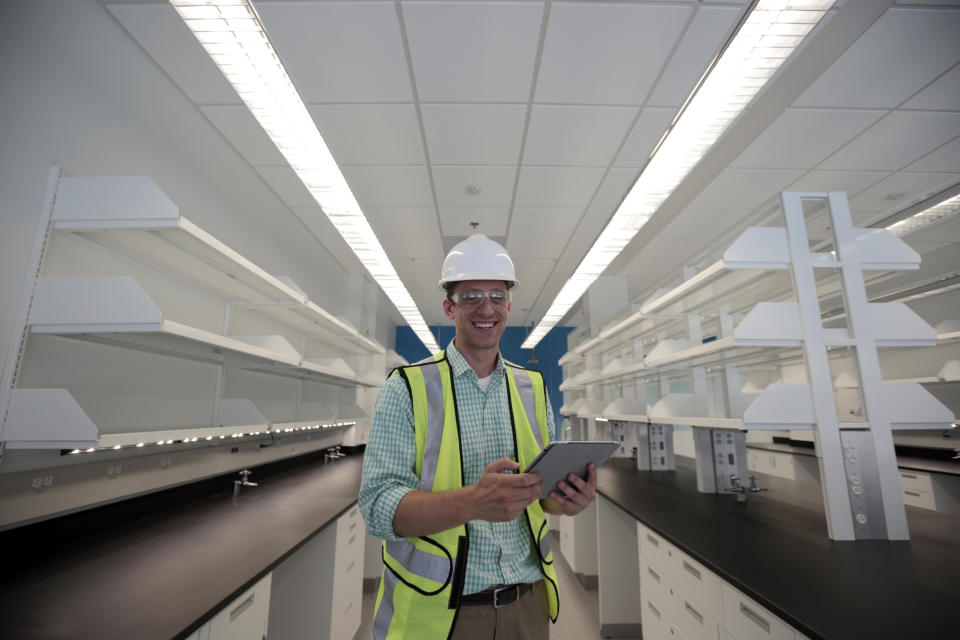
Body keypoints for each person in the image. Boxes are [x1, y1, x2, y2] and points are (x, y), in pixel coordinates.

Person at [359, 234, 598, 640]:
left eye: (496, 295)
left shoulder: (533, 388)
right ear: (449, 306)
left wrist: (567, 501)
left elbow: (540, 496)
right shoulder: (407, 388)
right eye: (470, 296)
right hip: (442, 611)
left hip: (528, 603)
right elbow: (378, 508)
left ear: (508, 305)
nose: (485, 308)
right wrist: (473, 502)